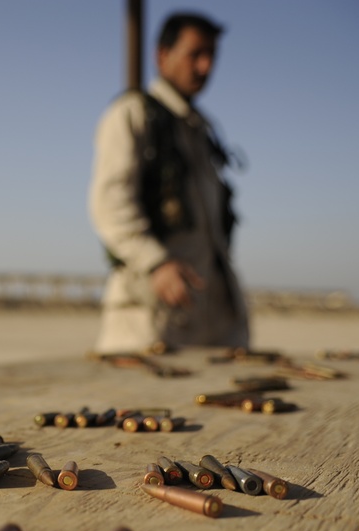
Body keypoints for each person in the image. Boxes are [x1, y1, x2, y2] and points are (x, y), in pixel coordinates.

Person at [88, 12, 249, 353]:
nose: (205, 67)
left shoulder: (201, 130)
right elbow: (109, 204)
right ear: (162, 55)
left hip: (213, 319)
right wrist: (156, 264)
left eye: (211, 56)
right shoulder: (133, 114)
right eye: (195, 54)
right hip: (151, 322)